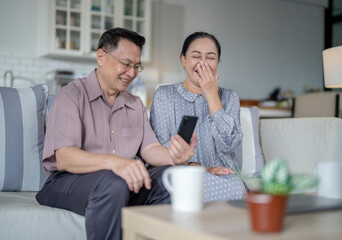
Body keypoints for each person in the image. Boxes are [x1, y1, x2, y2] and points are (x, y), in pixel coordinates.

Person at [36, 28, 197, 240]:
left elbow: (149, 149)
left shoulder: (134, 104)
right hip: (66, 181)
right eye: (126, 63)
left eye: (137, 66)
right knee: (114, 182)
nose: (132, 73)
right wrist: (115, 163)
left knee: (171, 177)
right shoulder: (72, 94)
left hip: (117, 182)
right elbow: (65, 157)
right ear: (101, 57)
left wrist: (174, 156)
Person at [150, 32, 246, 202]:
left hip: (223, 176)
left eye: (210, 57)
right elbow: (161, 147)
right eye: (196, 56)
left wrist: (211, 94)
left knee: (236, 188)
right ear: (183, 60)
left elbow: (229, 144)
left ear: (217, 63)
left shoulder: (230, 97)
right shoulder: (164, 95)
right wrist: (199, 169)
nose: (203, 63)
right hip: (182, 173)